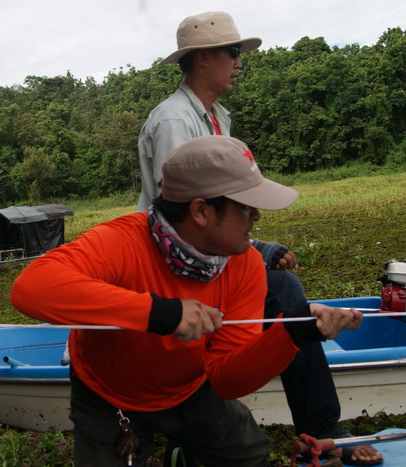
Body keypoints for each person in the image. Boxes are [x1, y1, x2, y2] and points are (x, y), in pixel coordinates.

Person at [11, 134, 363, 466]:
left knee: (250, 454)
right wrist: (159, 311)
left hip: (191, 390)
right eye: (246, 206)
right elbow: (31, 287)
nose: (257, 215)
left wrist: (294, 333)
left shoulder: (245, 264)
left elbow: (227, 380)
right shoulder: (119, 241)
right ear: (200, 211)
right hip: (108, 395)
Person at [136, 11, 382, 465]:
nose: (239, 62)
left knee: (279, 291)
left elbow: (221, 204)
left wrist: (256, 249)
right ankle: (318, 425)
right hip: (175, 266)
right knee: (284, 292)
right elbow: (188, 214)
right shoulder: (174, 120)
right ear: (204, 58)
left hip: (208, 256)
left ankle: (313, 423)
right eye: (232, 52)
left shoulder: (213, 116)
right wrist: (258, 250)